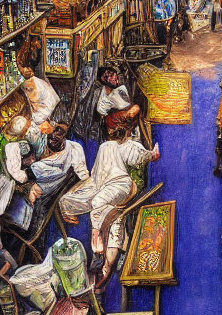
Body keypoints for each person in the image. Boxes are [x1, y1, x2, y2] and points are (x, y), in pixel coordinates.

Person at [60, 129, 160, 288]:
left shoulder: (122, 147)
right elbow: (98, 175)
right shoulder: (113, 148)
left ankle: (103, 262)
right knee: (104, 215)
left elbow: (141, 158)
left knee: (109, 220)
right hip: (115, 193)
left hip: (121, 193)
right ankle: (102, 261)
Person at [96, 65, 141, 135]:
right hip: (117, 130)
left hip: (130, 126)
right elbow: (105, 119)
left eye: (112, 74)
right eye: (106, 77)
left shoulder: (121, 89)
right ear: (102, 81)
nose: (112, 78)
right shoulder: (103, 101)